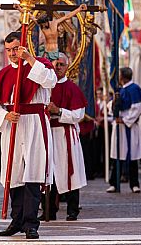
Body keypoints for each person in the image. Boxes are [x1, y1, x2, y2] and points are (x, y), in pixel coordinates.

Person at [0, 31, 57, 240]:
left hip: (35, 123)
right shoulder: (4, 73)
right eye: (8, 50)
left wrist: (29, 59)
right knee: (14, 174)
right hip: (13, 125)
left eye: (15, 49)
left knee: (33, 173)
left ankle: (31, 223)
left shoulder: (41, 64)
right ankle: (16, 220)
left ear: (24, 46)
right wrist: (4, 114)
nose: (11, 54)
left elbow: (49, 81)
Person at [41, 53, 87, 221]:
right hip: (47, 133)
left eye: (61, 64)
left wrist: (58, 111)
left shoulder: (72, 88)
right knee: (47, 173)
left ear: (67, 66)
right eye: (55, 64)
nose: (58, 67)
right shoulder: (44, 87)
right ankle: (48, 210)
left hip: (65, 134)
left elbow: (78, 114)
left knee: (70, 173)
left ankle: (72, 210)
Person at [106, 67, 141, 194]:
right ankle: (114, 183)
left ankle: (134, 184)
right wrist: (112, 106)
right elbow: (111, 105)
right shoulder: (120, 90)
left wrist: (125, 120)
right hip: (119, 127)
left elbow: (138, 108)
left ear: (122, 76)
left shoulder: (134, 89)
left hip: (129, 127)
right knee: (117, 156)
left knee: (132, 156)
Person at [14, 4, 87, 60]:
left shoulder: (55, 23)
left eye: (44, 24)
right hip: (45, 50)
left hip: (54, 50)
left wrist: (79, 9)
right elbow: (30, 16)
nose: (43, 25)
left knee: (53, 70)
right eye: (42, 24)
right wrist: (19, 9)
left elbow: (67, 16)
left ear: (47, 21)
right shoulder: (41, 25)